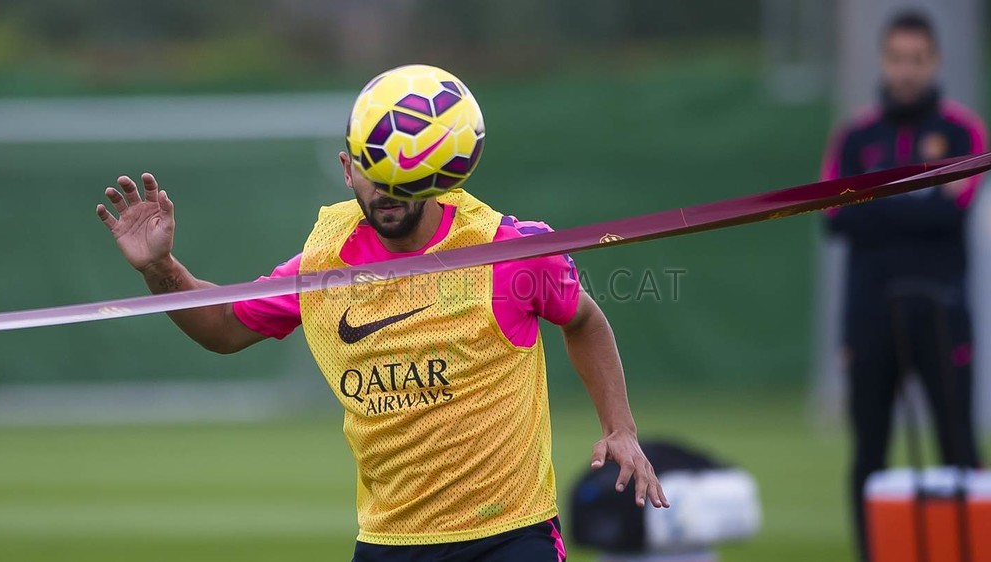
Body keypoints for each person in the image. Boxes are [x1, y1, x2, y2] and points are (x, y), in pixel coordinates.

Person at [95, 73, 668, 561]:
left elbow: (584, 320)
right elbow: (221, 327)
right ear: (347, 170)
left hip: (511, 533)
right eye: (373, 169)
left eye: (403, 171)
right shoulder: (320, 266)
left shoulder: (506, 249)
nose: (388, 188)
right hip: (391, 540)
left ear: (437, 167)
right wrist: (160, 268)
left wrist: (620, 428)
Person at [820, 10, 987, 561]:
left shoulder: (963, 132)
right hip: (869, 317)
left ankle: (966, 550)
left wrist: (877, 202)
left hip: (943, 314)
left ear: (933, 62)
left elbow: (953, 211)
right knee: (869, 452)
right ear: (883, 61)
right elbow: (835, 217)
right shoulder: (854, 138)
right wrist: (918, 201)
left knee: (958, 446)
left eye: (917, 59)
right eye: (898, 58)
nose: (907, 70)